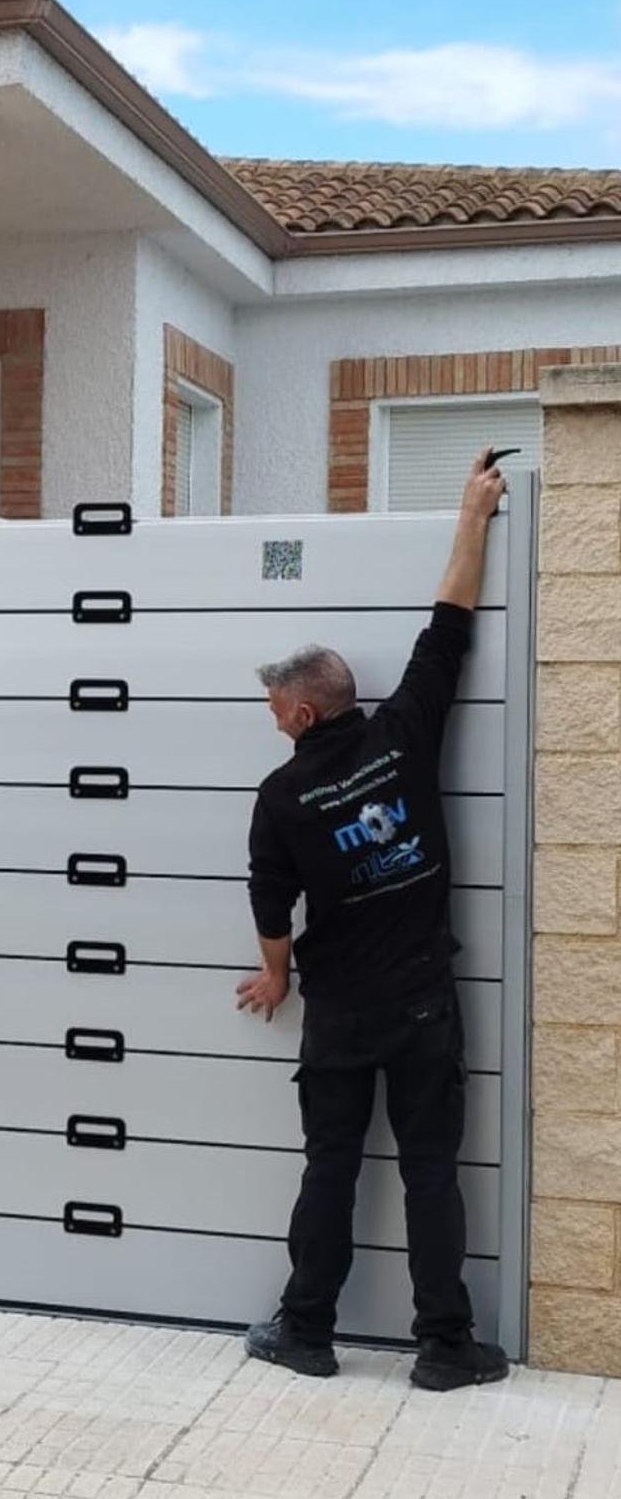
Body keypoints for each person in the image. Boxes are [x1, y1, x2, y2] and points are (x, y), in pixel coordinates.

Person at [236, 448, 510, 1393]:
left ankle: (306, 1332)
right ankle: (444, 1348)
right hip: (425, 1002)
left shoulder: (280, 796)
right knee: (433, 1168)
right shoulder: (406, 730)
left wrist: (276, 973)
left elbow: (271, 902)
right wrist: (471, 511)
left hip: (343, 1012)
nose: (272, 721)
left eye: (276, 709)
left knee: (332, 1167)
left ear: (306, 710)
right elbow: (452, 621)